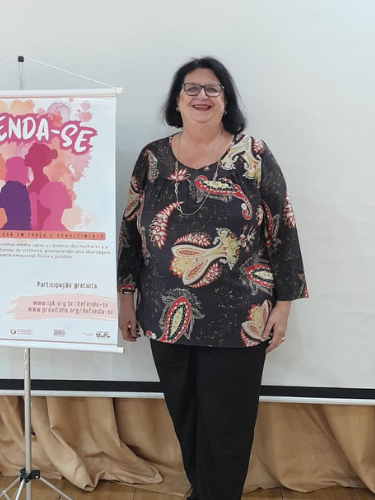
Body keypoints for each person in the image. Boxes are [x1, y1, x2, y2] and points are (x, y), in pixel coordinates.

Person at [117, 56, 308, 500]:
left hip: (240, 315)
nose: (201, 96)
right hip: (164, 313)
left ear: (226, 101)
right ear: (177, 100)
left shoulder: (253, 155)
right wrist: (126, 295)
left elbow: (282, 228)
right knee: (186, 418)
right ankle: (204, 491)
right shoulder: (152, 158)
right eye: (191, 88)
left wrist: (283, 306)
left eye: (212, 89)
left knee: (228, 425)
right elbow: (131, 229)